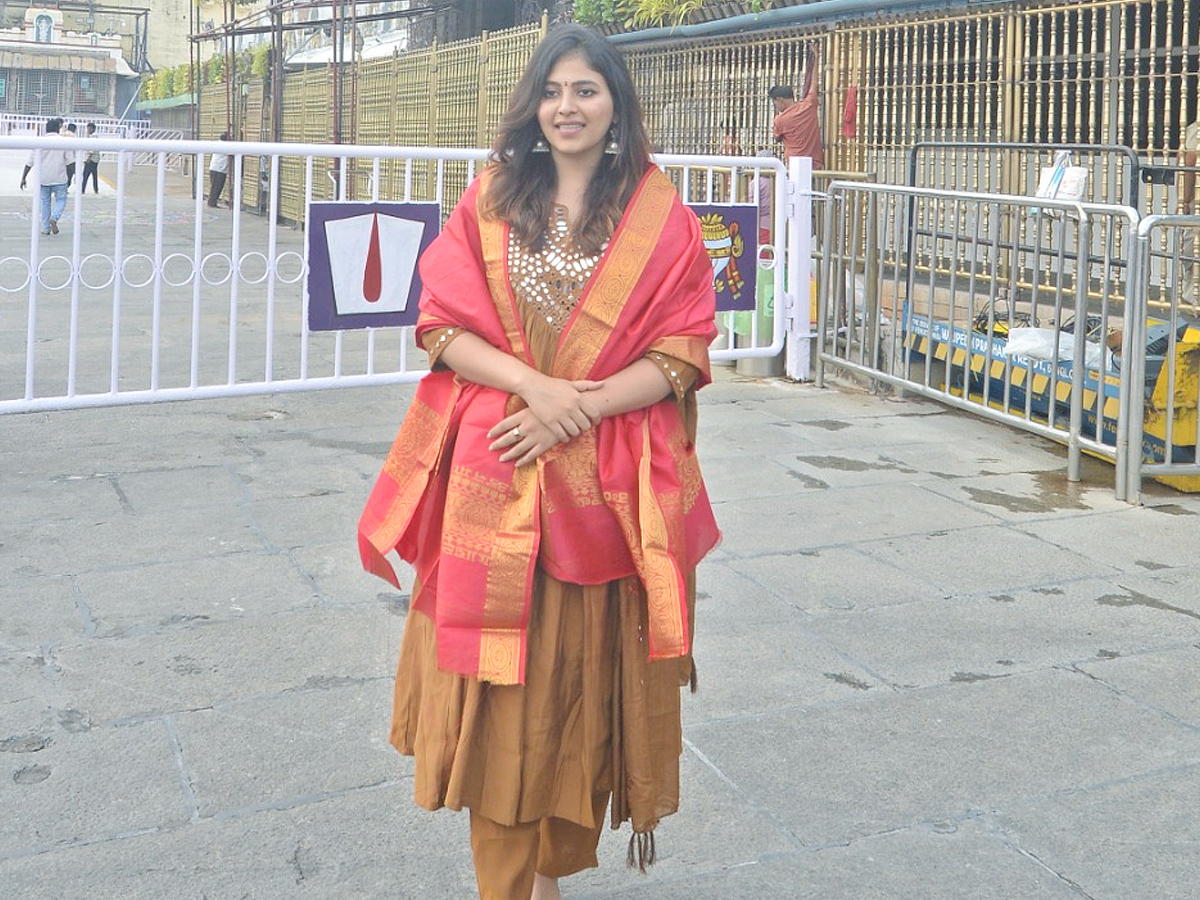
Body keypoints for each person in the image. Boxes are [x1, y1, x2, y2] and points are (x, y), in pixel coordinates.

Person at [358, 24, 721, 900]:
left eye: (587, 90)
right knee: (497, 705)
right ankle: (509, 885)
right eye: (554, 90)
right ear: (533, 104)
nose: (568, 106)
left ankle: (543, 876)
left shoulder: (657, 214)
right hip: (497, 488)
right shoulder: (490, 199)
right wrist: (535, 387)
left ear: (616, 105)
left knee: (574, 701)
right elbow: (441, 328)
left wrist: (578, 407)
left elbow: (683, 350)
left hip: (603, 502)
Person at [769, 43, 825, 169]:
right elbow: (814, 83)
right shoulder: (809, 105)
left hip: (794, 165)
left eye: (775, 103)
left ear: (780, 100)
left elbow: (777, 138)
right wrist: (816, 58)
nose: (776, 106)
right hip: (814, 163)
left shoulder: (780, 119)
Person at [19, 116, 70, 235]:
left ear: (46, 130)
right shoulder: (64, 142)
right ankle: (55, 218)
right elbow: (70, 162)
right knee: (61, 199)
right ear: (58, 129)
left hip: (43, 179)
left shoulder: (39, 143)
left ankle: (46, 228)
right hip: (60, 178)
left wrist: (23, 178)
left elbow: (29, 163)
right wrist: (71, 177)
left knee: (45, 202)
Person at [1179, 119, 1199, 298]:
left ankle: (1195, 299)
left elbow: (1188, 164)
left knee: (1193, 248)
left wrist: (1184, 201)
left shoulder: (1195, 129)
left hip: (1197, 204)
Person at [207, 132, 231, 208]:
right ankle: (212, 203)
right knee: (216, 187)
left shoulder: (218, 144)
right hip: (218, 169)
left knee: (215, 187)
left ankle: (212, 202)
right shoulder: (224, 146)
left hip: (215, 168)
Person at [81, 122, 101, 194]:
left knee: (85, 175)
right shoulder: (93, 136)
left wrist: (88, 159)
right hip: (95, 159)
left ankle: (82, 190)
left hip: (91, 159)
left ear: (93, 129)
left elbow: (91, 149)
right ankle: (96, 190)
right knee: (94, 175)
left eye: (89, 128)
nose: (88, 130)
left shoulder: (93, 137)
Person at [64, 122, 77, 187]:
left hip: (62, 159)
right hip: (70, 159)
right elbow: (75, 149)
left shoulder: (62, 134)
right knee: (69, 176)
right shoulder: (73, 136)